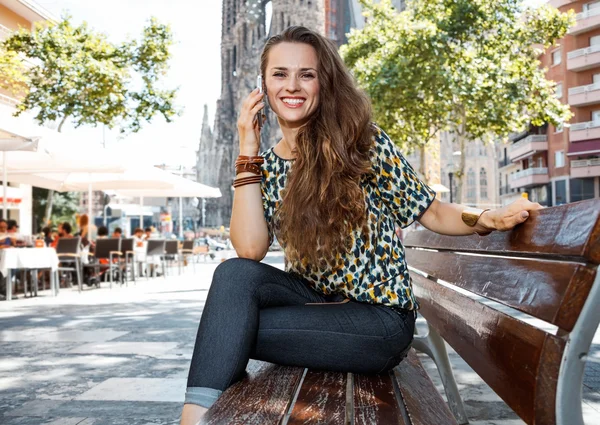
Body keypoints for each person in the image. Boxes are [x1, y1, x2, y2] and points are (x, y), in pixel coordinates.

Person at [180, 27, 543, 424]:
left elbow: (431, 211)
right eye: (280, 74)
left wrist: (484, 218)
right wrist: (247, 150)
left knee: (228, 330)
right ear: (263, 86)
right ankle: (197, 417)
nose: (293, 86)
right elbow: (249, 251)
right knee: (233, 276)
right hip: (314, 304)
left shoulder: (359, 143)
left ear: (324, 81)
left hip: (377, 321)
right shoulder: (265, 165)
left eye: (307, 74)